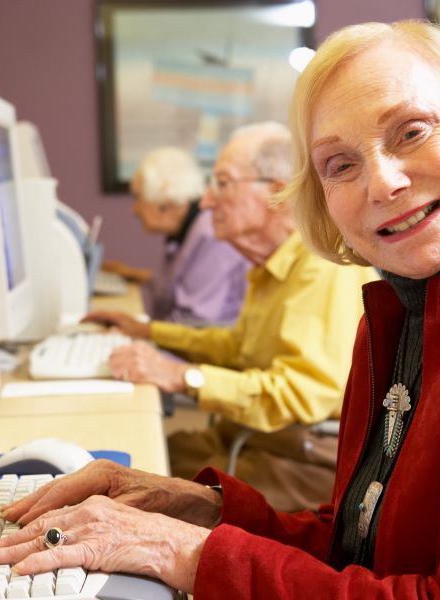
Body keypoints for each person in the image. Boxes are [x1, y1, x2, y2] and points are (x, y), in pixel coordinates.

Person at [0, 21, 440, 598]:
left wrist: (180, 552)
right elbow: (361, 548)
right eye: (340, 165)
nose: (383, 182)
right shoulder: (394, 311)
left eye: (412, 131)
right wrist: (193, 509)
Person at [87, 121, 378, 511]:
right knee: (120, 453)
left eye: (222, 184)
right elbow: (238, 346)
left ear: (276, 193)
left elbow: (300, 393)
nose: (206, 202)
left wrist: (182, 376)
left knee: (129, 486)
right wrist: (151, 332)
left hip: (296, 457)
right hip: (251, 436)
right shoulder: (272, 264)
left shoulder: (320, 268)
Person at [103, 146, 250, 325]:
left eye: (138, 198)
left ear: (165, 203)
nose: (135, 210)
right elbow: (176, 287)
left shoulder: (210, 234)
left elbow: (196, 320)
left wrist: (142, 330)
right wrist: (133, 274)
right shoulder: (187, 231)